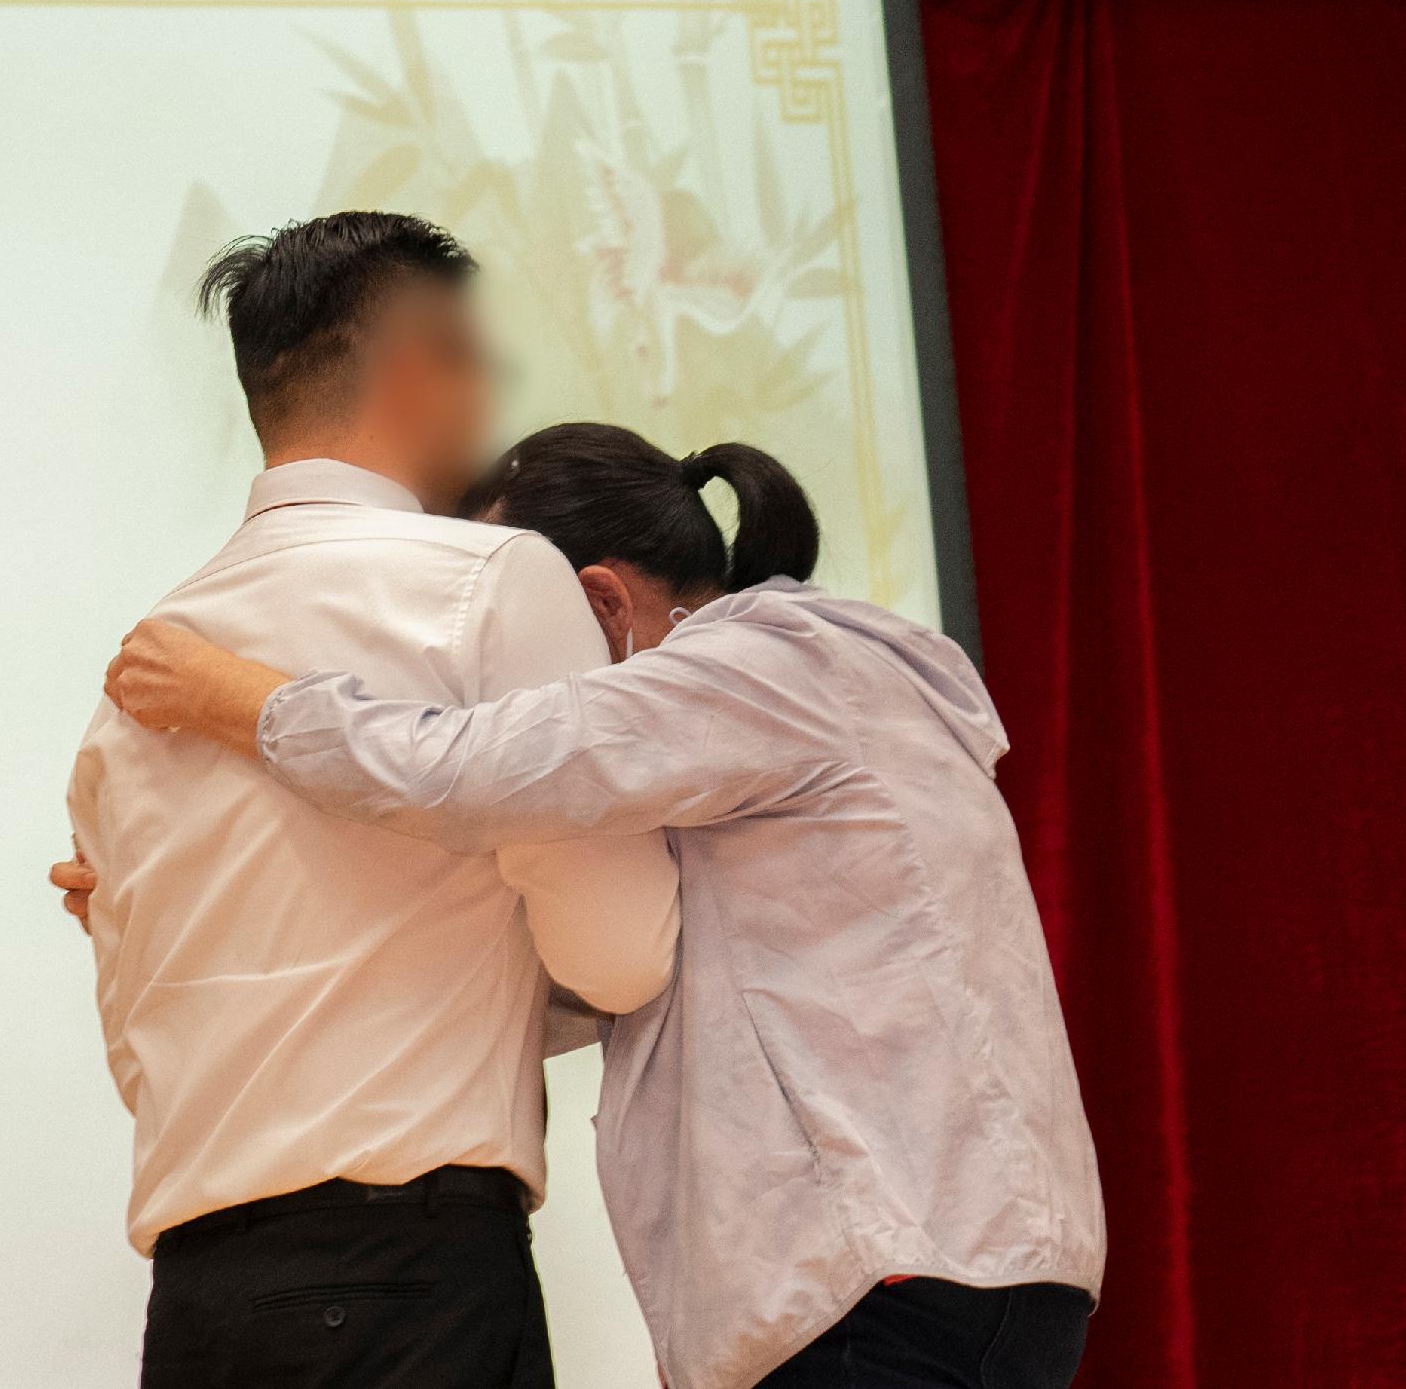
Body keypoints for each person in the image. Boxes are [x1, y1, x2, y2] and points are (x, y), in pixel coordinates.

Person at [92, 423, 1103, 1389]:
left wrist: (237, 698)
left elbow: (471, 766)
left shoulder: (760, 669)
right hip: (938, 1270)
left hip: (885, 1276)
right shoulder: (794, 705)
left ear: (599, 604)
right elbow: (597, 978)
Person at [67, 213, 678, 1388]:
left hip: (197, 1304)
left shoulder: (134, 682)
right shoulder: (492, 581)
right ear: (414, 364)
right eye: (473, 359)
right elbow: (619, 953)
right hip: (411, 1280)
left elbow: (140, 1047)